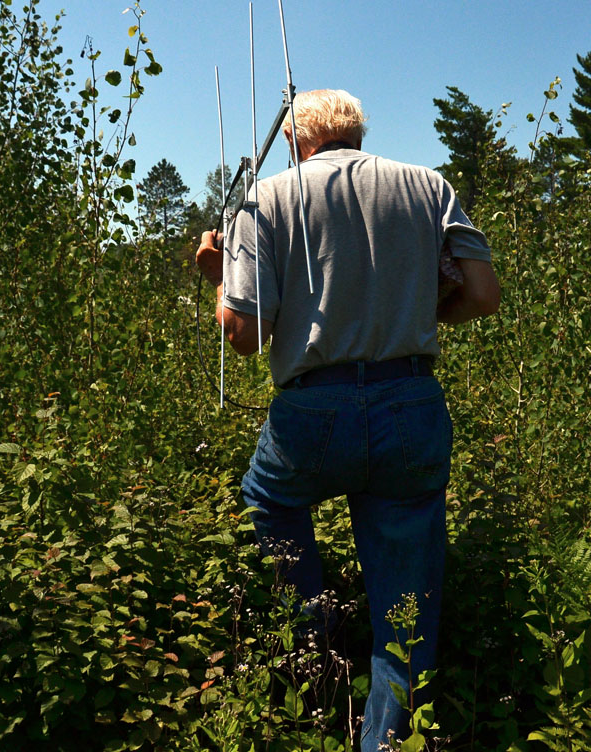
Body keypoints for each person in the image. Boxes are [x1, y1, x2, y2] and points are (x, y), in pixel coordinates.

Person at [196, 89, 500, 751]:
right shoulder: (427, 186)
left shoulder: (267, 198)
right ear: (357, 134)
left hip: (315, 405)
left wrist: (220, 278)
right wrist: (426, 315)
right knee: (406, 612)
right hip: (410, 399)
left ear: (294, 140)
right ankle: (387, 739)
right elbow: (482, 294)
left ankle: (311, 647)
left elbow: (245, 337)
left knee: (271, 499)